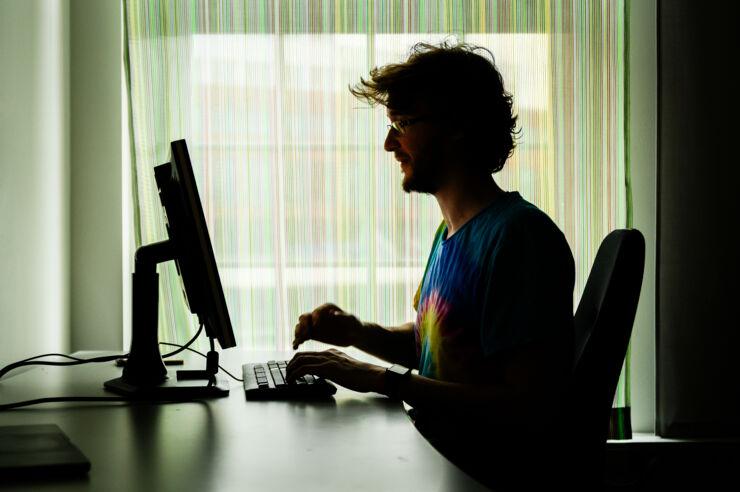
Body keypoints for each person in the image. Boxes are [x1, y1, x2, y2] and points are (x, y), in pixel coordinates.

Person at [286, 41, 575, 488]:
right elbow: (439, 350)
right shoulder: (449, 235)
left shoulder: (519, 238)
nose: (388, 144)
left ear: (458, 125)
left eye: (401, 124)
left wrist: (380, 379)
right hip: (434, 465)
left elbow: (529, 407)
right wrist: (357, 334)